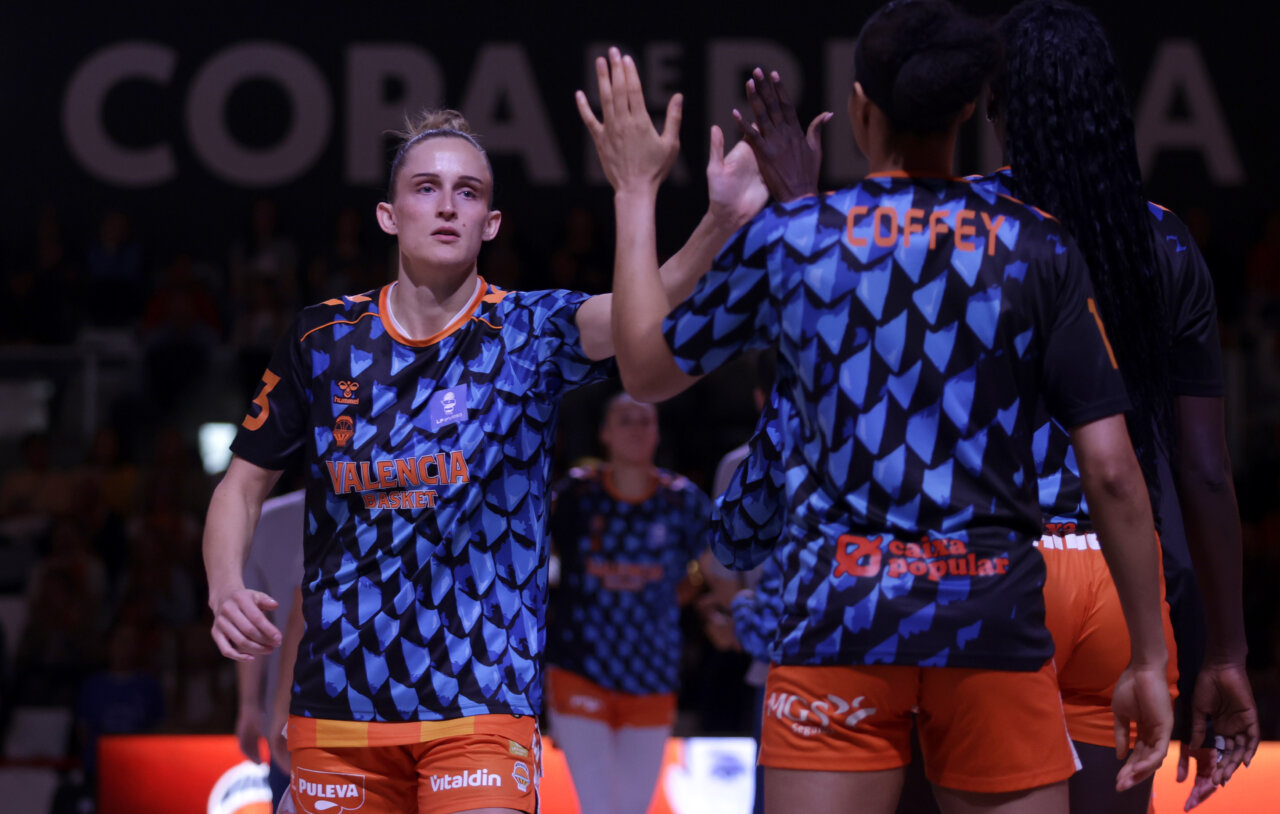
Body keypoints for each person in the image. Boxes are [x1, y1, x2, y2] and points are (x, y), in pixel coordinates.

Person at [578, 4, 1172, 812]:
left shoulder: (796, 240)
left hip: (838, 620)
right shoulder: (1036, 245)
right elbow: (1110, 470)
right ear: (967, 110)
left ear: (861, 109)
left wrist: (636, 190)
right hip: (990, 623)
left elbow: (644, 370)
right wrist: (1147, 657)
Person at [202, 106, 766, 814]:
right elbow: (242, 485)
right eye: (426, 188)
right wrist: (224, 585)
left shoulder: (527, 333)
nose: (447, 205)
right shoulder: (323, 339)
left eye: (467, 192)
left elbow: (639, 307)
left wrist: (720, 223)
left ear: (490, 224)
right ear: (388, 215)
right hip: (341, 707)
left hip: (482, 705)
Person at [981, 2, 1260, 810]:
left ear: (996, 110)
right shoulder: (1164, 242)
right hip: (1123, 586)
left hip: (994, 572)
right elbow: (1205, 471)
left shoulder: (961, 228)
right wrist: (1225, 653)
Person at [544, 393, 711, 814]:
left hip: (652, 673)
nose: (636, 428)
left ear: (657, 432)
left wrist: (684, 594)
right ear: (604, 433)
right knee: (598, 806)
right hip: (579, 670)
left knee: (633, 808)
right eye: (624, 420)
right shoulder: (578, 493)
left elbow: (713, 566)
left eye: (644, 420)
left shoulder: (682, 499)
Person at [233, 489, 304, 811]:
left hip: (290, 712)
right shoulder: (368, 504)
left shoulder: (262, 517)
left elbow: (252, 621)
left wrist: (251, 706)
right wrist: (252, 706)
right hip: (301, 712)